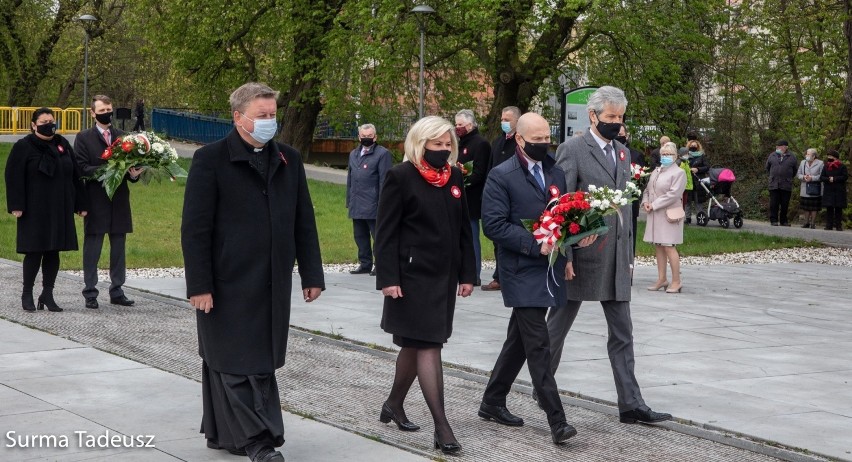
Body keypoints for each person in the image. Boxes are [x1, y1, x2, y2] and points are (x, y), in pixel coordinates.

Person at [181, 82, 324, 462]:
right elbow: (195, 230)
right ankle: (260, 441)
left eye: (273, 115)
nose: (269, 122)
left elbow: (303, 221)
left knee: (256, 360)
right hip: (226, 284)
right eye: (262, 116)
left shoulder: (288, 159)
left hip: (272, 283)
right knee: (234, 362)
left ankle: (221, 433)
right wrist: (199, 285)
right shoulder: (209, 160)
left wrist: (312, 275)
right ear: (238, 117)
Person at [549, 86, 672, 425]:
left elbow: (624, 206)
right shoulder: (572, 149)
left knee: (623, 333)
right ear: (593, 116)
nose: (617, 124)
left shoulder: (622, 152)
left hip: (617, 258)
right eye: (610, 117)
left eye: (620, 117)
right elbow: (561, 207)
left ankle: (631, 404)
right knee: (555, 330)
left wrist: (629, 253)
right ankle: (544, 387)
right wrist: (567, 255)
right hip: (583, 257)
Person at [479, 112, 591, 445]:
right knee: (538, 344)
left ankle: (492, 401)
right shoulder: (501, 176)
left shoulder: (555, 170)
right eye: (536, 139)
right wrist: (534, 245)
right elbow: (494, 225)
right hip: (519, 269)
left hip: (550, 268)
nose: (544, 144)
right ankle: (558, 420)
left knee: (519, 340)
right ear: (518, 139)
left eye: (547, 138)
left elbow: (563, 215)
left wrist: (575, 241)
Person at [374, 115, 475, 456]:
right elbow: (385, 233)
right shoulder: (400, 176)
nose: (444, 151)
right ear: (420, 143)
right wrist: (388, 279)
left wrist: (467, 274)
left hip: (443, 278)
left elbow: (464, 230)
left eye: (448, 145)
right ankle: (442, 427)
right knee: (429, 345)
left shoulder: (455, 176)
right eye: (437, 145)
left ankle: (393, 404)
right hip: (411, 278)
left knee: (416, 345)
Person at [5, 107, 87, 312]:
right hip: (34, 208)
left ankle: (47, 294)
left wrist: (81, 204)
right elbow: (13, 176)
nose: (49, 124)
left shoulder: (62, 144)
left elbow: (76, 175)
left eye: (51, 120)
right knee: (34, 251)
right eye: (43, 121)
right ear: (34, 125)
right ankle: (27, 294)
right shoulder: (24, 146)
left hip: (59, 205)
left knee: (53, 250)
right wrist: (16, 205)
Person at [74, 94, 143, 309]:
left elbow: (131, 170)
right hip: (95, 201)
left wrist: (134, 173)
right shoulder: (83, 138)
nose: (107, 114)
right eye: (102, 111)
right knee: (93, 247)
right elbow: (82, 168)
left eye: (109, 110)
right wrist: (110, 169)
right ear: (93, 113)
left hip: (119, 200)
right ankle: (90, 292)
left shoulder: (123, 136)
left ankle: (117, 290)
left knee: (119, 247)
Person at [482, 106, 522, 292]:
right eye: (502, 119)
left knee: (511, 236)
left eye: (507, 119)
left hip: (514, 195)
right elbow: (490, 167)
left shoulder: (521, 142)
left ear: (517, 121)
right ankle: (499, 276)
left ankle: (509, 275)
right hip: (497, 196)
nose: (503, 122)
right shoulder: (498, 142)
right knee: (496, 237)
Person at [346, 123, 392, 276]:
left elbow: (384, 180)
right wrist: (349, 201)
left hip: (374, 204)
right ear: (359, 137)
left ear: (375, 137)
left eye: (369, 136)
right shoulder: (353, 154)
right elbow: (350, 179)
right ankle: (365, 264)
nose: (366, 139)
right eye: (363, 136)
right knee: (360, 236)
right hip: (357, 203)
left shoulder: (382, 154)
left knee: (378, 237)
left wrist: (383, 203)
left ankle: (381, 265)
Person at [642, 142, 687, 293]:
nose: (666, 157)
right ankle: (662, 278)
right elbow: (648, 189)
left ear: (675, 156)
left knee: (669, 246)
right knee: (659, 246)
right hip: (655, 214)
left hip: (669, 215)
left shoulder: (679, 173)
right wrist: (646, 202)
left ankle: (676, 280)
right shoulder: (656, 171)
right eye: (664, 154)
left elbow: (673, 194)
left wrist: (654, 204)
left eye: (669, 154)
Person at [455, 109, 491, 286]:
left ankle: (474, 273)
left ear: (470, 125)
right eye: (456, 124)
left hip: (472, 198)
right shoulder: (459, 143)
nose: (457, 128)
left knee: (471, 235)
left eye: (460, 125)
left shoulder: (480, 144)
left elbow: (479, 173)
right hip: (458, 196)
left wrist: (461, 176)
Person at [616, 126, 646, 253]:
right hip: (612, 201)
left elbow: (642, 179)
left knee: (629, 235)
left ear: (626, 136)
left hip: (630, 200)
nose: (618, 136)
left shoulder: (635, 154)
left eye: (621, 133)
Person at [765, 139, 798, 226]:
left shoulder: (792, 157)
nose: (778, 148)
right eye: (777, 146)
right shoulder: (772, 155)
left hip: (786, 184)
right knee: (773, 203)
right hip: (774, 184)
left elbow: (795, 170)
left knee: (785, 204)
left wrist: (788, 177)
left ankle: (784, 221)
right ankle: (773, 220)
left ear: (786, 147)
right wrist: (773, 176)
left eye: (780, 146)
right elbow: (767, 168)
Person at [820, 149, 848, 231]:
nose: (829, 157)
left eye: (830, 156)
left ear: (835, 157)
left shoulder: (842, 166)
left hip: (839, 190)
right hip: (829, 190)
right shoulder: (826, 166)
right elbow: (822, 177)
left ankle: (838, 225)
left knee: (838, 208)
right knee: (829, 208)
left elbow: (845, 177)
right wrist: (828, 179)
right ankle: (829, 225)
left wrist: (834, 179)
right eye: (828, 156)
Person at [683, 139, 709, 224]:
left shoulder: (702, 156)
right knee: (687, 201)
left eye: (695, 146)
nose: (693, 147)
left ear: (698, 147)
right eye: (691, 145)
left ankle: (700, 218)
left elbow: (707, 167)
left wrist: (698, 169)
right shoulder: (685, 156)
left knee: (699, 201)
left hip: (698, 181)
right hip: (688, 181)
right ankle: (688, 218)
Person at [797, 148, 823, 229]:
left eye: (808, 154)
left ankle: (813, 223)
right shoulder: (803, 162)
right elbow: (798, 174)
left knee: (814, 207)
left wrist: (812, 178)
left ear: (814, 156)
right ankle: (806, 222)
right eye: (806, 154)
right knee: (806, 207)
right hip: (805, 187)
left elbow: (822, 176)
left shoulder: (820, 163)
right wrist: (804, 177)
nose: (806, 155)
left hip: (815, 187)